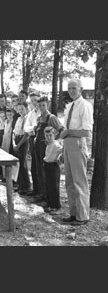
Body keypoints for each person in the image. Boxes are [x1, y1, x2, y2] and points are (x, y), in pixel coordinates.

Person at [60, 79, 94, 226]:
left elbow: (86, 132)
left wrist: (68, 131)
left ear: (81, 89)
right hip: (67, 144)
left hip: (77, 143)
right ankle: (73, 213)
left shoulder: (85, 106)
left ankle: (82, 216)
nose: (72, 90)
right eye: (69, 88)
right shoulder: (70, 106)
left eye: (74, 88)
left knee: (79, 181)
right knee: (69, 182)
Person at [33, 96, 64, 203]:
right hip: (38, 146)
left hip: (47, 148)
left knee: (46, 171)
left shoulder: (51, 118)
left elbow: (61, 130)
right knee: (39, 170)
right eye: (40, 105)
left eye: (43, 105)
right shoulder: (39, 117)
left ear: (48, 105)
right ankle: (43, 194)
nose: (41, 107)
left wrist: (54, 141)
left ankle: (49, 198)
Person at [12, 101, 32, 195]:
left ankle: (26, 186)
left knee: (23, 164)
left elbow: (26, 134)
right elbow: (14, 132)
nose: (20, 111)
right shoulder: (19, 118)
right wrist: (14, 143)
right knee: (18, 163)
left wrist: (19, 145)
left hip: (23, 141)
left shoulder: (27, 118)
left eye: (22, 109)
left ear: (26, 108)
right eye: (19, 109)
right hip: (16, 139)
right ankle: (20, 185)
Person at [23, 92, 41, 197]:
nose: (35, 103)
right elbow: (26, 127)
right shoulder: (31, 114)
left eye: (36, 100)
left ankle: (42, 192)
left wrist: (34, 128)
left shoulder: (42, 113)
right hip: (32, 138)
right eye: (32, 100)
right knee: (33, 165)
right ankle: (36, 190)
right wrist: (33, 128)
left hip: (41, 140)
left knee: (40, 166)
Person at [43, 126, 63, 215]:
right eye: (46, 136)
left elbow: (62, 150)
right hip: (47, 165)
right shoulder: (48, 144)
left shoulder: (56, 144)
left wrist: (59, 158)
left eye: (50, 135)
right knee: (48, 186)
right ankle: (50, 205)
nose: (48, 137)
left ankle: (57, 206)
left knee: (54, 187)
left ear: (54, 135)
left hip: (53, 166)